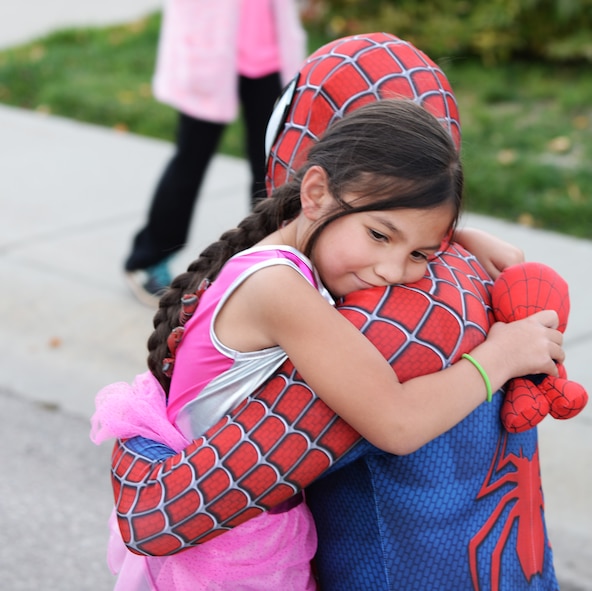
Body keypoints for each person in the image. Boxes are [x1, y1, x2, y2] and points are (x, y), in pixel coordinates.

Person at [93, 34, 567, 590]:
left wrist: (450, 237)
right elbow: (396, 422)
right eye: (380, 234)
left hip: (247, 545)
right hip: (227, 565)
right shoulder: (280, 290)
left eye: (419, 253)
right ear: (314, 191)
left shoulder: (288, 254)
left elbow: (371, 220)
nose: (393, 270)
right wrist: (500, 357)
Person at [124, 0, 307, 306]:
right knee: (191, 160)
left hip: (269, 54)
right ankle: (148, 258)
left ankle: (266, 263)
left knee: (270, 169)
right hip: (210, 51)